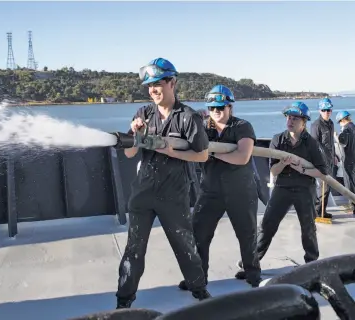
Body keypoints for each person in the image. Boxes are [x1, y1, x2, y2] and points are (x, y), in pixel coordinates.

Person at [116, 57, 211, 309]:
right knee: (133, 248)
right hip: (143, 193)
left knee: (184, 244)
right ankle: (124, 299)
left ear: (172, 83)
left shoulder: (189, 117)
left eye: (157, 83)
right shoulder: (143, 114)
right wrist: (135, 135)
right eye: (149, 86)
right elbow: (129, 153)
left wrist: (172, 151)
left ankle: (198, 289)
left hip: (174, 194)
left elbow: (202, 154)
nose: (153, 90)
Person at [177, 85, 262, 290]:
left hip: (240, 191)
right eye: (213, 107)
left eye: (221, 106)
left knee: (246, 234)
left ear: (230, 107)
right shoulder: (203, 128)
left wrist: (211, 153)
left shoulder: (242, 126)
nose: (217, 110)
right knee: (199, 234)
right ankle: (198, 277)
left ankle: (252, 274)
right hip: (210, 191)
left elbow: (242, 157)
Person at [235, 102, 328, 277]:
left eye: (295, 118)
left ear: (304, 122)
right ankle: (249, 264)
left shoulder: (311, 144)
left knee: (308, 228)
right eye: (289, 117)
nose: (290, 121)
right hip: (282, 187)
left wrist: (302, 169)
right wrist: (283, 163)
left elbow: (322, 172)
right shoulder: (277, 140)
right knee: (267, 225)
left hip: (304, 188)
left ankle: (312, 265)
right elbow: (272, 170)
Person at [311, 97, 336, 219]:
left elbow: (330, 143)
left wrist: (334, 155)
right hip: (321, 162)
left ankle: (323, 211)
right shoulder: (316, 125)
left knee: (328, 187)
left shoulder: (331, 124)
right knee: (323, 188)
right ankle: (317, 212)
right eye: (324, 110)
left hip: (330, 161)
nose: (327, 112)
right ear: (320, 111)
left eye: (329, 110)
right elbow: (315, 144)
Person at [336, 110, 355, 215]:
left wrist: (336, 136)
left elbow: (342, 142)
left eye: (339, 122)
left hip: (349, 161)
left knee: (350, 185)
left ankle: (353, 208)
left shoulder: (346, 130)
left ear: (342, 120)